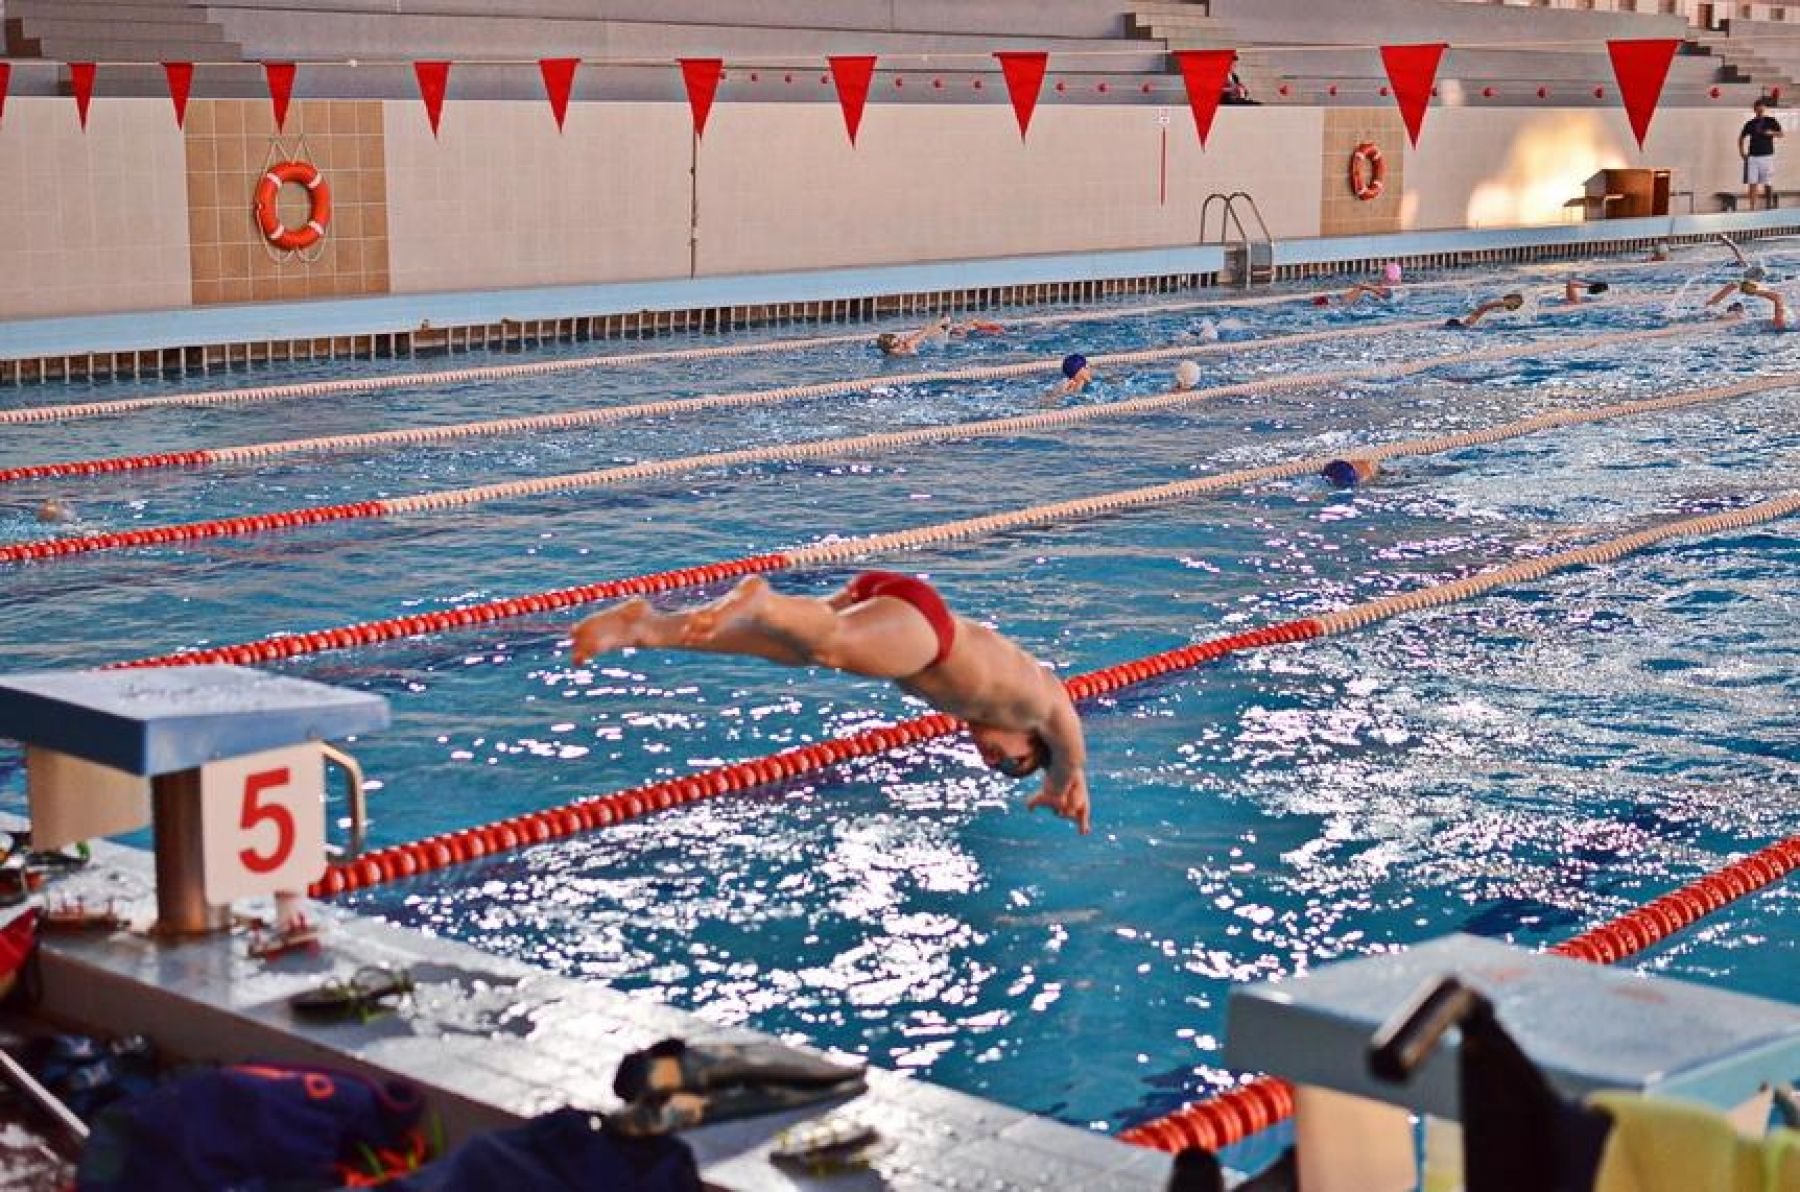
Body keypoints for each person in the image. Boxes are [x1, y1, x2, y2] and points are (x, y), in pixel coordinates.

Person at [570, 573, 1092, 833]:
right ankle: (764, 601)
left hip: (896, 607)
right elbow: (1063, 721)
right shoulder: (1027, 706)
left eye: (992, 765)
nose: (991, 756)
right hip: (927, 630)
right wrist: (1062, 777)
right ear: (1030, 738)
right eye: (1009, 759)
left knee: (793, 652)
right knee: (827, 644)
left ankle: (648, 628)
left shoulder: (993, 702)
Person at [1740, 98, 1783, 211]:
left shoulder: (1771, 121)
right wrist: (1742, 152)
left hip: (1767, 156)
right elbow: (1741, 138)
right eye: (1757, 108)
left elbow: (1781, 133)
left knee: (1767, 182)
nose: (1760, 110)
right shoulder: (1750, 123)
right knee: (1752, 182)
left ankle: (1769, 206)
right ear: (1754, 109)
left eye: (1762, 108)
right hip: (1753, 157)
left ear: (1764, 108)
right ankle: (1752, 208)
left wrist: (1771, 132)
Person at [1706, 278, 1787, 329]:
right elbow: (1778, 298)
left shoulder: (1759, 323)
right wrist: (1756, 291)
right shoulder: (1761, 324)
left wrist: (1733, 286)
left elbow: (1711, 303)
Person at [875, 315, 952, 357]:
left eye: (899, 340)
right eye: (896, 345)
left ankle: (943, 327)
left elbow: (924, 333)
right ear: (888, 351)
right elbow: (913, 354)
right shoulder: (891, 356)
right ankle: (943, 327)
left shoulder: (905, 345)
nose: (901, 343)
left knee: (922, 334)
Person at [1443, 292, 1524, 329]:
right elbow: (1483, 308)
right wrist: (1503, 303)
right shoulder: (1468, 324)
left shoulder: (1468, 323)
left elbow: (1483, 309)